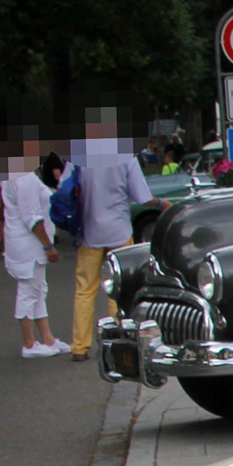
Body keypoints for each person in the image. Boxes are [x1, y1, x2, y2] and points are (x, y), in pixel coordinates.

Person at [69, 112, 154, 361]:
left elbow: (66, 190)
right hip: (119, 231)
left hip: (89, 232)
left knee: (85, 289)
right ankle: (120, 337)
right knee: (120, 287)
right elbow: (141, 195)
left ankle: (79, 346)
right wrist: (161, 203)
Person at [3, 152, 66, 356]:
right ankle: (29, 343)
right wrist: (48, 245)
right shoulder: (24, 178)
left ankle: (47, 338)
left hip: (23, 242)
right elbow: (32, 217)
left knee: (38, 289)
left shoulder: (16, 175)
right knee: (29, 291)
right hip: (29, 244)